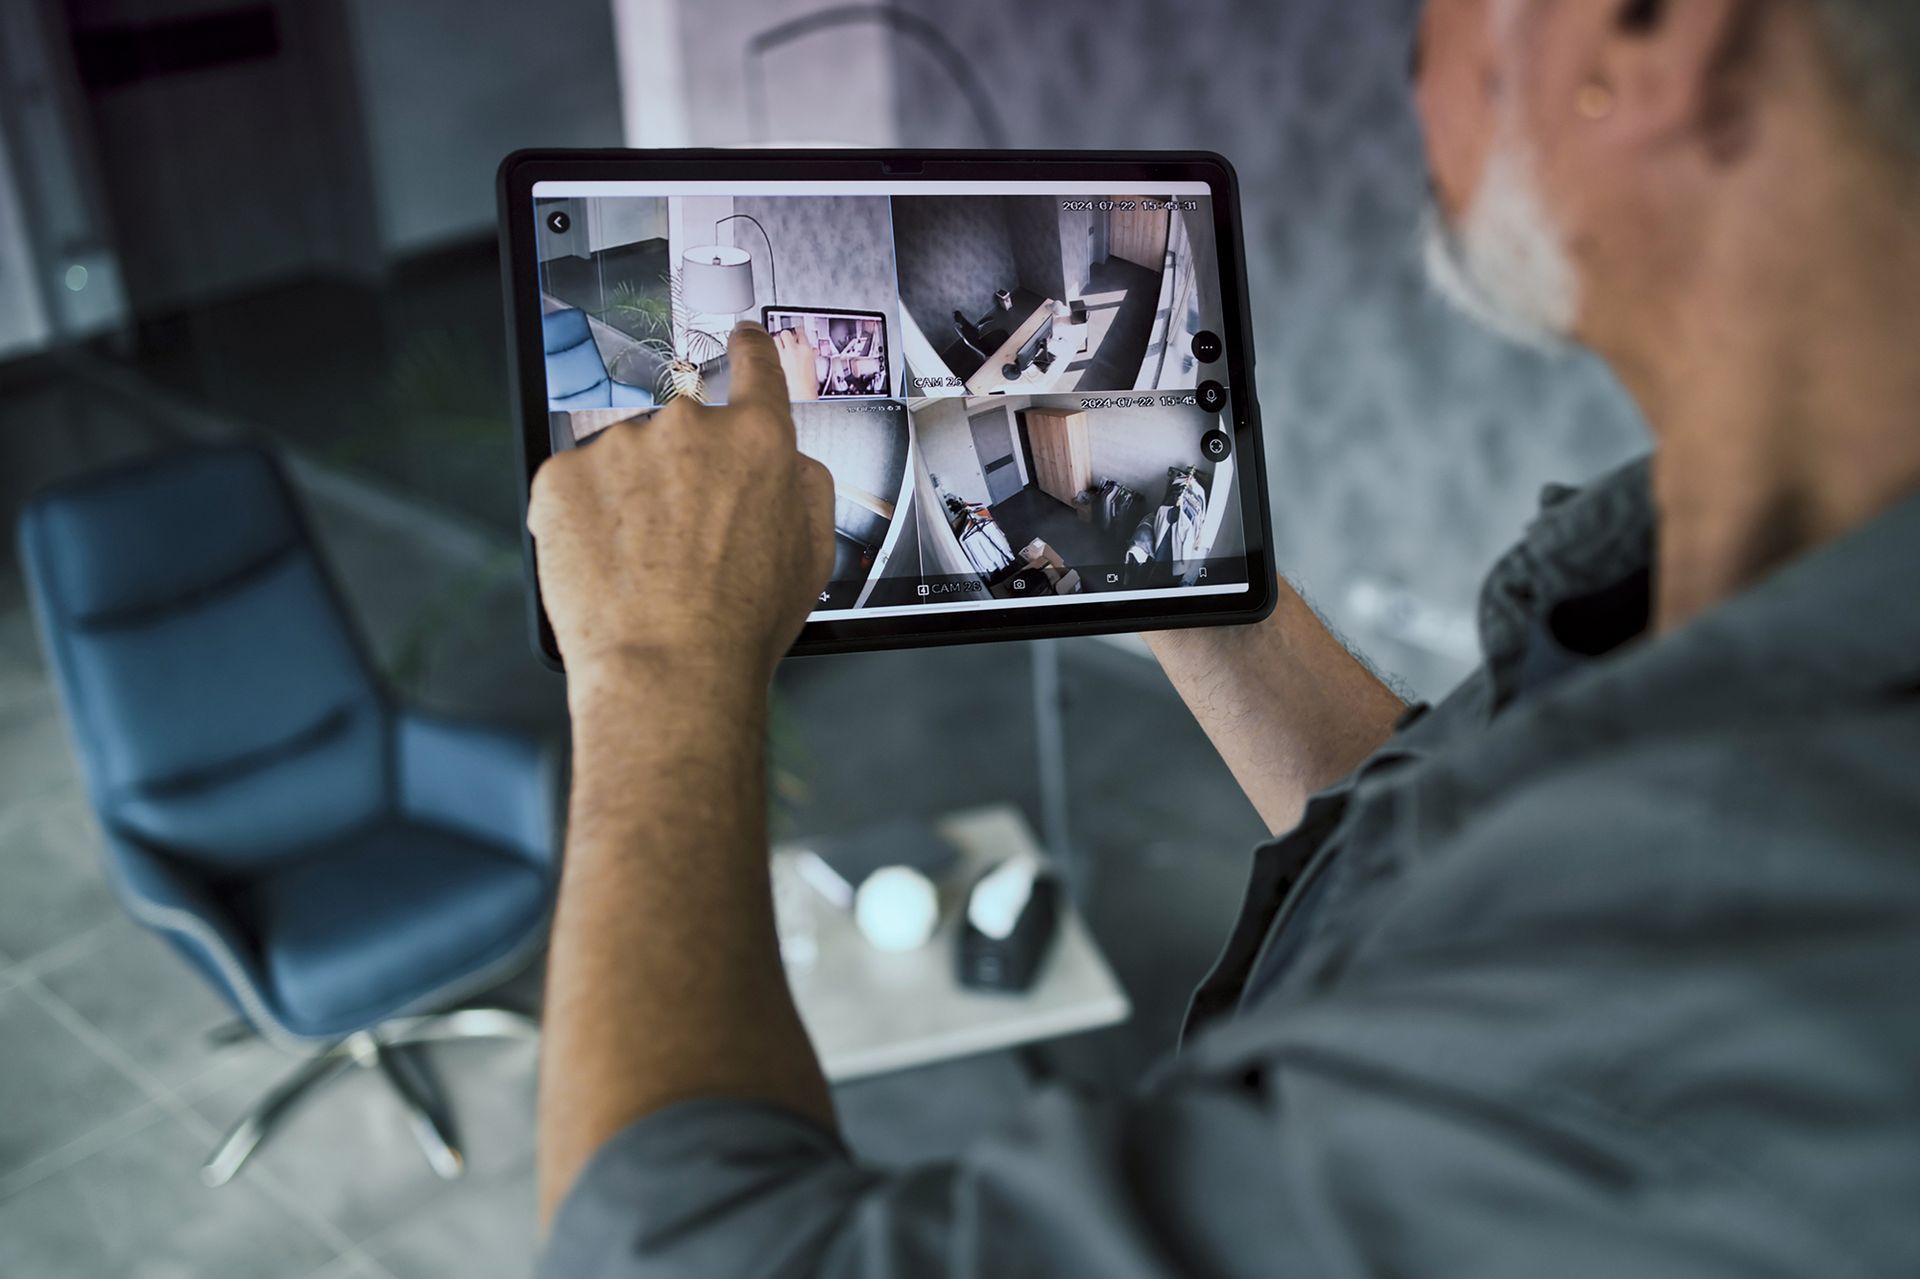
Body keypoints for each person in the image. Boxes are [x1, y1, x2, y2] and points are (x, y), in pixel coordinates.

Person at [528, 1, 1920, 1273]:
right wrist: (1186, 589)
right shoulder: (1743, 588)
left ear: (1646, 38)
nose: (1418, 66)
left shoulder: (1719, 962)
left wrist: (658, 664)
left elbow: (679, 1251)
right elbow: (1439, 857)